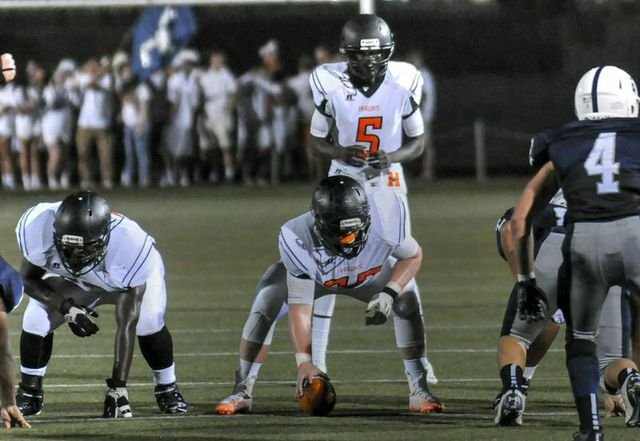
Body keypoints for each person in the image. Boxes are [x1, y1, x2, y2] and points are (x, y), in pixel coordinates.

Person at [216, 176, 444, 415]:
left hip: (369, 276)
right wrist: (304, 362)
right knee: (267, 298)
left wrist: (389, 292)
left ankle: (419, 389)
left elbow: (413, 255)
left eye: (355, 231)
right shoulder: (297, 236)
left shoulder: (386, 216)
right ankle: (242, 390)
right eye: (343, 233)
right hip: (318, 280)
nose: (351, 241)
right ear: (319, 222)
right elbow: (300, 306)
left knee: (406, 299)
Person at [511, 65, 640, 440]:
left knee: (581, 339)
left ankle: (591, 429)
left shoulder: (560, 141)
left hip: (584, 242)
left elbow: (521, 218)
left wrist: (524, 280)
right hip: (634, 234)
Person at [308, 13, 437, 382]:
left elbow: (418, 141)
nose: (370, 61)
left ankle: (418, 366)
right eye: (362, 55)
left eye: (377, 54)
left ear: (388, 51)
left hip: (388, 181)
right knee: (328, 268)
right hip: (343, 181)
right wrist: (337, 151)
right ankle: (317, 362)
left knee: (404, 262)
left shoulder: (403, 80)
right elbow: (316, 138)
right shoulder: (327, 81)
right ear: (347, 54)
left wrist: (392, 157)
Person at [15, 191, 187, 418]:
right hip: (81, 282)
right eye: (67, 247)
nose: (74, 255)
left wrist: (118, 386)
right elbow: (26, 279)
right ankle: (30, 393)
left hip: (121, 279)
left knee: (148, 320)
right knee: (35, 317)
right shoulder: (39, 226)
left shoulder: (129, 245)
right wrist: (68, 309)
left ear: (104, 236)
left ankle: (167, 387)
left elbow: (128, 322)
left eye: (84, 248)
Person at [494, 192, 636, 426]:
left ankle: (513, 391)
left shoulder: (557, 184)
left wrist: (523, 282)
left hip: (560, 241)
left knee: (517, 336)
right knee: (611, 359)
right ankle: (630, 379)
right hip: (615, 249)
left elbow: (510, 228)